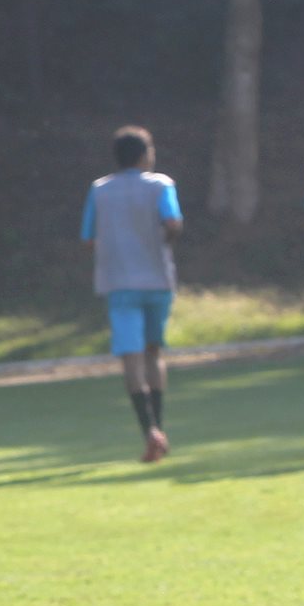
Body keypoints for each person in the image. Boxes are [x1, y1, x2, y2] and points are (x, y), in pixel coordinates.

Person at [81, 125, 184, 463]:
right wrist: (162, 245)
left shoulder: (100, 190)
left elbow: (88, 237)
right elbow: (172, 223)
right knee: (154, 353)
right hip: (157, 279)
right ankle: (161, 427)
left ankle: (148, 430)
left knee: (131, 357)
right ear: (144, 155)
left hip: (119, 281)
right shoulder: (161, 185)